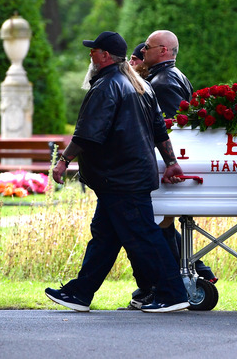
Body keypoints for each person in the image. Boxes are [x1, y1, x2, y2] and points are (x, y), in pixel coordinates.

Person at [44, 31, 189, 313]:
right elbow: (160, 129)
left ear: (106, 56)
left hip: (120, 176)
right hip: (127, 175)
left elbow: (87, 133)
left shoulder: (106, 87)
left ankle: (173, 293)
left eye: (94, 50)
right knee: (105, 236)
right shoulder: (139, 85)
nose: (91, 55)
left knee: (144, 236)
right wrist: (171, 161)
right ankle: (81, 293)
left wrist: (63, 160)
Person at [126, 31, 215, 311]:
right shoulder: (171, 76)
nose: (142, 53)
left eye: (147, 48)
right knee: (159, 225)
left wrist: (168, 161)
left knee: (158, 224)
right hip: (168, 164)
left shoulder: (162, 81)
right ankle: (177, 278)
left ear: (163, 50)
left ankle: (166, 285)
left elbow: (167, 128)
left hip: (165, 166)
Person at [141, 30, 194, 118]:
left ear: (162, 50)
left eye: (147, 47)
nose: (142, 50)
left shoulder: (163, 83)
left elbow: (172, 127)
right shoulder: (175, 74)